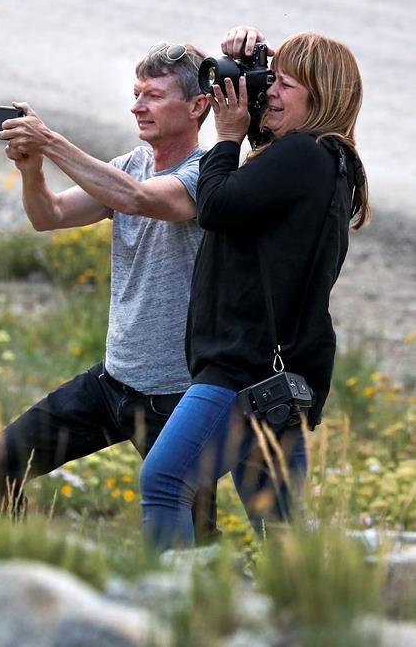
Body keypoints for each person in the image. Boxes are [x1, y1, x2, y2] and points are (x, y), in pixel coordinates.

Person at [0, 35, 258, 538]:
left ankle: (208, 592)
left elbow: (138, 200)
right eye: (136, 94)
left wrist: (50, 141)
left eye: (154, 96)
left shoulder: (208, 174)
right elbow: (49, 215)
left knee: (192, 539)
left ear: (198, 106)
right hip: (113, 381)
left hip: (178, 396)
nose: (137, 106)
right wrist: (32, 168)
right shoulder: (130, 164)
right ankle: (8, 571)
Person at [140, 27, 371, 550]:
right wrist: (248, 70)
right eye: (273, 81)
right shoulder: (327, 161)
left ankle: (170, 598)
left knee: (166, 481)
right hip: (278, 375)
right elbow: (252, 183)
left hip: (243, 369)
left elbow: (216, 206)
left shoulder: (304, 156)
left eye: (285, 85)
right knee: (280, 529)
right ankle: (305, 602)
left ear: (321, 95)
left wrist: (226, 136)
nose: (271, 93)